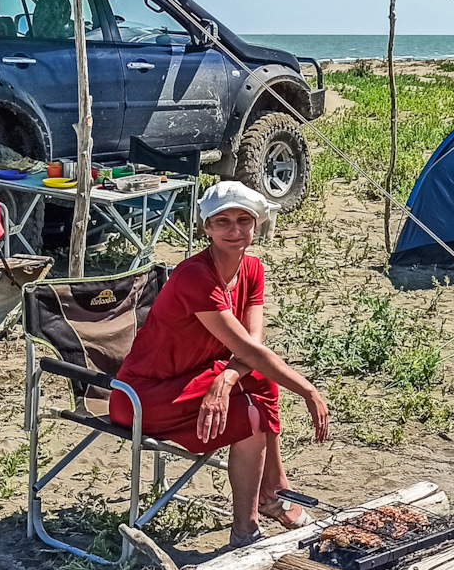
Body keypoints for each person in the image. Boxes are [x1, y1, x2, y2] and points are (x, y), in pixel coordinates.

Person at [114, 181, 330, 548]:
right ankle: (249, 525)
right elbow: (248, 347)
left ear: (257, 224)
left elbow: (252, 344)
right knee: (250, 417)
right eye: (223, 221)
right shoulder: (196, 275)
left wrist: (229, 377)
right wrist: (308, 390)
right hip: (143, 394)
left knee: (261, 382)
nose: (234, 230)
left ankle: (273, 495)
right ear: (206, 228)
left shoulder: (253, 268)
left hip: (198, 376)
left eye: (244, 220)